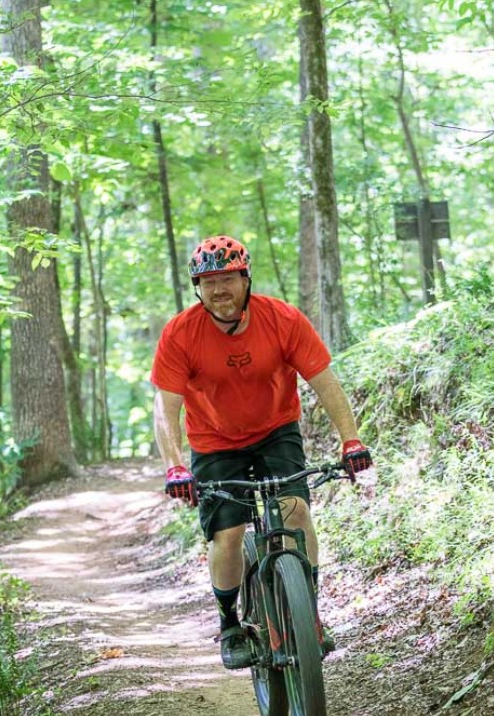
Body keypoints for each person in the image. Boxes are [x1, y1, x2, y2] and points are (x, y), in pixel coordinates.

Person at [150, 234, 372, 670]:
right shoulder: (181, 334)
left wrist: (351, 440)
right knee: (228, 535)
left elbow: (325, 382)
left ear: (245, 278)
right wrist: (175, 465)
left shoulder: (282, 319)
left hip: (276, 431)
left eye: (228, 278)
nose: (220, 290)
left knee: (295, 511)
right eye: (209, 281)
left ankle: (307, 614)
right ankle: (230, 621)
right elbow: (166, 408)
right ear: (198, 287)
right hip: (214, 442)